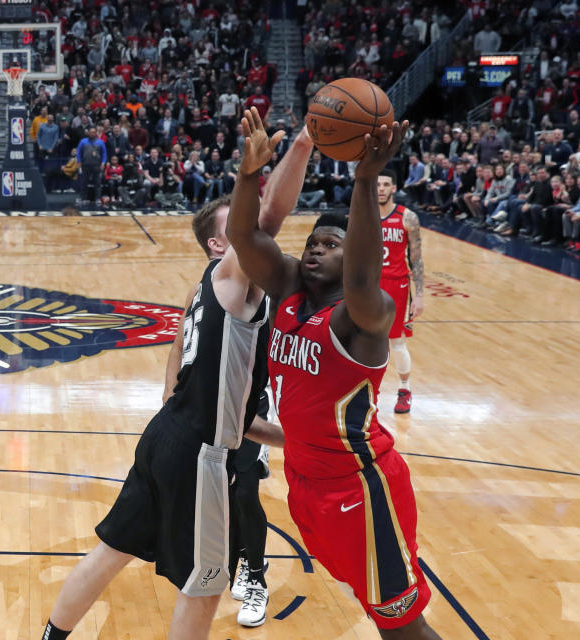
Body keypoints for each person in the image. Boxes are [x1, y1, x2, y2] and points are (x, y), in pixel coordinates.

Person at [39, 118, 315, 640]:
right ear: (221, 245)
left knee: (111, 549)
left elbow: (204, 397)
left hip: (168, 432)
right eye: (239, 224)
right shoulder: (235, 276)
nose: (251, 225)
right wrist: (299, 144)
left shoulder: (202, 293)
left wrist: (292, 438)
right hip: (197, 452)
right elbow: (272, 214)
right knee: (207, 584)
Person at [227, 109, 442, 638]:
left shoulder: (364, 317)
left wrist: (365, 178)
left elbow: (366, 273)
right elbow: (243, 238)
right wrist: (248, 173)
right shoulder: (289, 293)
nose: (316, 250)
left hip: (362, 488)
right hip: (305, 484)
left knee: (402, 627)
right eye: (312, 243)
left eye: (332, 245)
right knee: (378, 613)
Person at [375, 170, 424, 413]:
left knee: (396, 341)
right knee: (367, 341)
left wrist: (421, 295)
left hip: (397, 286)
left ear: (393, 188)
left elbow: (416, 259)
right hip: (369, 286)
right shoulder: (364, 215)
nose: (381, 189)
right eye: (377, 185)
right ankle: (368, 392)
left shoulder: (408, 217)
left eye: (385, 184)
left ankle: (404, 390)